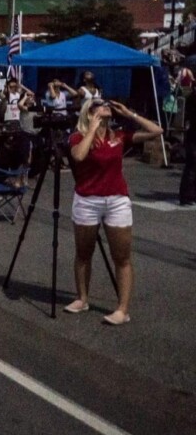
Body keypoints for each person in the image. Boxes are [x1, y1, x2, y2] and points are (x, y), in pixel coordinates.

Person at [64, 97, 163, 325]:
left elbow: (157, 131)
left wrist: (130, 114)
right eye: (98, 105)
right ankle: (82, 298)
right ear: (89, 113)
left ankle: (122, 309)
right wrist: (92, 128)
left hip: (116, 199)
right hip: (87, 200)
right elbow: (78, 156)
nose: (105, 106)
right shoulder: (78, 137)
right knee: (83, 252)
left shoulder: (118, 136)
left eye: (106, 104)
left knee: (121, 256)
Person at [181, 91, 196, 206]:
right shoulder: (193, 97)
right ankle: (186, 196)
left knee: (192, 166)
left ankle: (191, 194)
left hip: (192, 133)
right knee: (191, 165)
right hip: (193, 135)